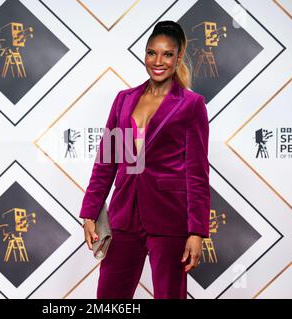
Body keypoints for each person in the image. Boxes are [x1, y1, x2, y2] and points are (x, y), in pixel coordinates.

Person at [79, 20, 210, 299]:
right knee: (110, 297)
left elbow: (197, 173)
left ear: (178, 58)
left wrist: (197, 232)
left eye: (167, 54)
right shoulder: (124, 100)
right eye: (152, 53)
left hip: (169, 216)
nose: (158, 61)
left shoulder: (191, 104)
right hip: (124, 213)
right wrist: (90, 212)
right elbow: (107, 161)